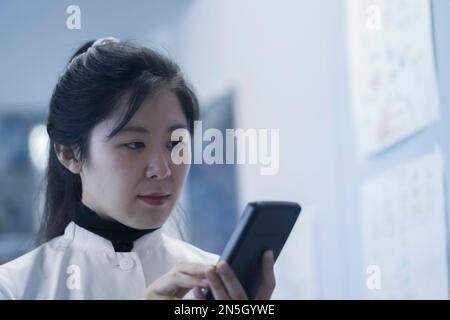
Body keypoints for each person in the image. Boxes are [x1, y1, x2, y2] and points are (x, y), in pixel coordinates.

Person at [0, 37, 275, 299]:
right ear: (70, 153)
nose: (162, 169)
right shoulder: (14, 287)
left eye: (175, 143)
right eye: (134, 145)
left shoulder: (215, 281)